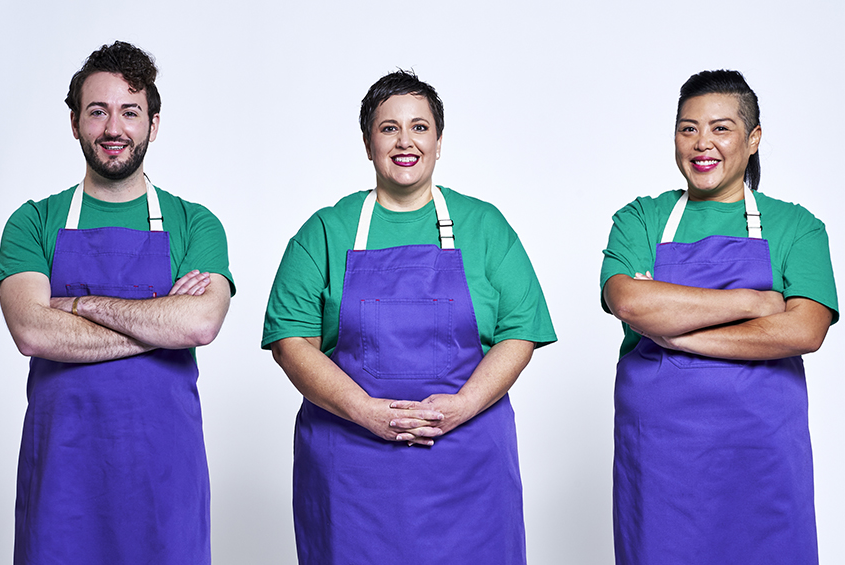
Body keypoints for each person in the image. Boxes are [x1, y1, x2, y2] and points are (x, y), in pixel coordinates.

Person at [262, 70, 556, 564]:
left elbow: (520, 331)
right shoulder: (325, 232)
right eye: (389, 128)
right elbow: (292, 343)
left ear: (439, 141)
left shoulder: (484, 226)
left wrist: (463, 405)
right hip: (353, 474)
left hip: (467, 469)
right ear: (367, 142)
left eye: (419, 127)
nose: (405, 141)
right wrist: (364, 411)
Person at [0, 41, 234, 564]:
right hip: (62, 475)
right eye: (97, 111)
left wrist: (75, 306)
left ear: (153, 123)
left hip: (164, 477)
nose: (113, 128)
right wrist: (156, 319)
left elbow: (198, 323)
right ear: (76, 123)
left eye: (130, 112)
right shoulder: (33, 222)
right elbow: (32, 333)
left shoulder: (195, 223)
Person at [601, 69, 838, 564]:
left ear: (752, 139)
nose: (701, 143)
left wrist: (677, 335)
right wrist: (755, 302)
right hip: (662, 455)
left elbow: (805, 329)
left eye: (720, 128)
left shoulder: (796, 225)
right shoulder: (640, 218)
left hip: (762, 454)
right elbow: (628, 301)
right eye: (688, 128)